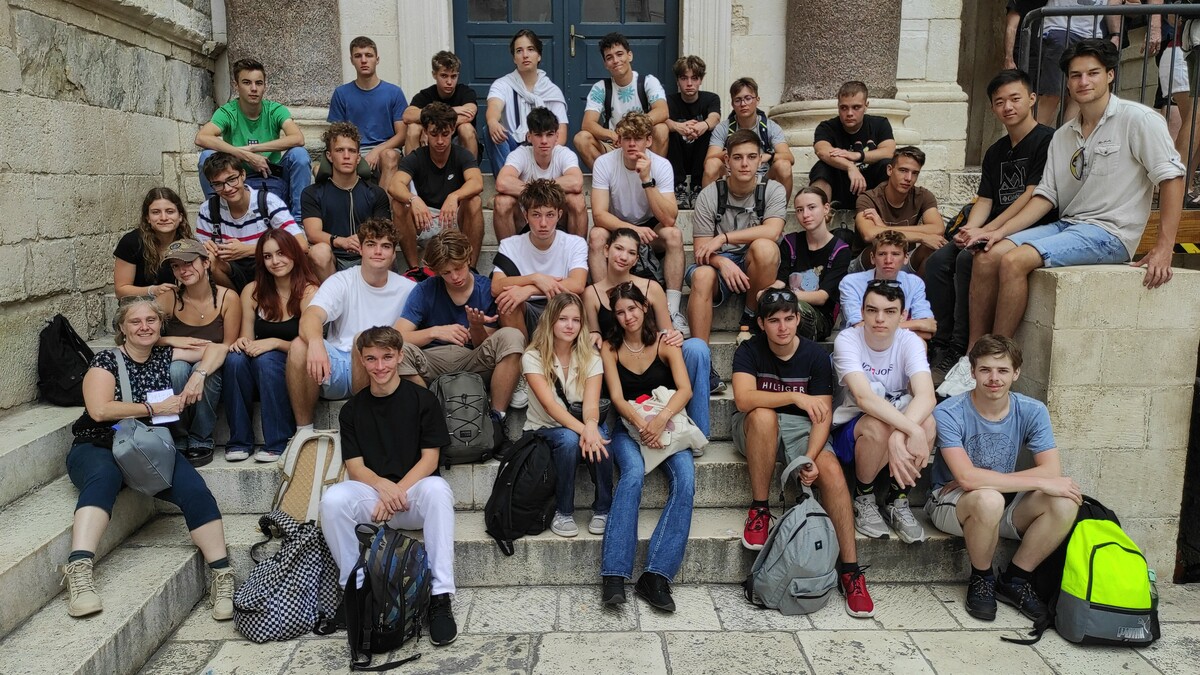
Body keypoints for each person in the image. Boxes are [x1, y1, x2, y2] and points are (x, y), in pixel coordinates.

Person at [964, 38, 1184, 394]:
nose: (1083, 82)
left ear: (1110, 75)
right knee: (988, 255)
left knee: (1015, 260)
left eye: (1092, 73)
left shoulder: (1138, 119)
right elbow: (1045, 196)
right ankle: (972, 356)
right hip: (1068, 225)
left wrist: (1164, 247)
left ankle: (998, 361)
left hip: (1110, 233)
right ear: (1067, 81)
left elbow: (1172, 178)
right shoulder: (1064, 134)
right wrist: (997, 232)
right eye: (1076, 75)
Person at [62, 296, 236, 620]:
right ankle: (79, 571)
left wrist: (197, 375)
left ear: (160, 325)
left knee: (195, 490)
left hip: (146, 447)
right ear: (121, 327)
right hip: (97, 443)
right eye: (135, 322)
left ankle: (222, 575)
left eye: (151, 320)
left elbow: (218, 348)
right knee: (104, 477)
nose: (144, 327)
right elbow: (99, 410)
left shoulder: (164, 354)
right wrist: (153, 408)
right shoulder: (106, 360)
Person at [731, 289, 874, 618]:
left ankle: (850, 572)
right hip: (754, 426)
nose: (782, 327)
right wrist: (794, 397)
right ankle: (760, 508)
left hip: (803, 429)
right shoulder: (749, 350)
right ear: (762, 324)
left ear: (798, 318)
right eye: (774, 320)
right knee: (763, 416)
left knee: (832, 471)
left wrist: (810, 456)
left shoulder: (814, 355)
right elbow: (744, 399)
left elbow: (822, 416)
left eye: (789, 318)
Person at [318, 326, 459, 646]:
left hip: (412, 496)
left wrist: (396, 492)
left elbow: (430, 460)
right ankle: (355, 589)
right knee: (333, 500)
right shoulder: (352, 410)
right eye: (371, 359)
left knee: (438, 491)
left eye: (386, 357)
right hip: (374, 498)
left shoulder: (423, 400)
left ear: (399, 357)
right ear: (361, 360)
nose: (379, 366)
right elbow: (355, 467)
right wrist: (383, 487)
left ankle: (440, 597)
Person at [928, 335, 1082, 622]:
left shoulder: (1032, 410)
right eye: (985, 370)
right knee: (988, 499)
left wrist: (988, 479)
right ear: (972, 372)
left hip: (1005, 501)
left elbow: (1051, 471)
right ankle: (982, 578)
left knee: (1064, 501)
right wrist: (1038, 480)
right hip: (952, 502)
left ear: (1016, 373)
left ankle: (1015, 579)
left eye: (1002, 370)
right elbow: (966, 478)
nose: (994, 378)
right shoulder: (949, 411)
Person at [924, 70, 1054, 385]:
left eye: (1015, 98)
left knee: (968, 259)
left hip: (1029, 225)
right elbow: (985, 198)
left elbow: (1031, 194)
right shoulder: (996, 150)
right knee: (938, 260)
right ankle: (942, 345)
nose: (1008, 107)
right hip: (993, 225)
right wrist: (970, 228)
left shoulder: (1047, 140)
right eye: (999, 102)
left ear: (1032, 99)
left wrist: (989, 231)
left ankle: (963, 348)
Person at [599, 283, 696, 612]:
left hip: (667, 427)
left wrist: (660, 421)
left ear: (644, 307)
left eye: (632, 308)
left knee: (686, 479)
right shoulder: (610, 347)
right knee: (632, 474)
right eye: (620, 312)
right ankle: (614, 574)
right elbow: (616, 397)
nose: (628, 316)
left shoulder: (665, 342)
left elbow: (684, 389)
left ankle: (655, 576)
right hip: (628, 428)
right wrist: (643, 425)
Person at [831, 280, 936, 545]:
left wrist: (900, 435)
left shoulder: (910, 341)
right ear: (862, 312)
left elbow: (926, 395)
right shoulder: (847, 339)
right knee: (881, 425)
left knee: (928, 424)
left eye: (889, 311)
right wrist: (908, 430)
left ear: (903, 316)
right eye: (872, 310)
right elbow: (864, 398)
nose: (880, 319)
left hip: (893, 426)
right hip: (852, 429)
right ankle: (863, 496)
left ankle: (897, 499)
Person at [286, 218, 416, 429]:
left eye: (385, 246)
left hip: (378, 367)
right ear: (360, 249)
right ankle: (304, 432)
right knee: (300, 345)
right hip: (336, 366)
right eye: (371, 244)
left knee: (364, 341)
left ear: (394, 254)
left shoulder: (408, 289)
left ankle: (366, 428)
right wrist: (316, 342)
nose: (378, 251)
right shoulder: (342, 281)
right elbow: (311, 316)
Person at [396, 230, 528, 421]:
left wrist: (476, 327)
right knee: (398, 352)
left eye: (458, 268)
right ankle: (430, 414)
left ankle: (496, 417)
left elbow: (487, 347)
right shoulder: (425, 289)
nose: (455, 277)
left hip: (473, 360)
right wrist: (435, 332)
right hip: (432, 361)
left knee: (512, 336)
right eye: (446, 273)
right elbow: (398, 336)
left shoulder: (486, 289)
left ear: (468, 259)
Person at [585, 228, 715, 406]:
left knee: (697, 348)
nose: (623, 257)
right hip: (617, 364)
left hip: (654, 361)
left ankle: (696, 423)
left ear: (636, 259)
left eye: (631, 253)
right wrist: (594, 335)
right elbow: (595, 335)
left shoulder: (651, 288)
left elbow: (666, 332)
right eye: (619, 248)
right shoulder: (591, 294)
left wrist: (674, 335)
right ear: (606, 250)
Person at [522, 292, 613, 538]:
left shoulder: (591, 357)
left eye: (576, 320)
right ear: (550, 320)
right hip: (543, 429)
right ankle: (563, 512)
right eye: (563, 319)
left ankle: (604, 509)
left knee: (602, 437)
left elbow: (591, 404)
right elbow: (551, 407)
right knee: (570, 439)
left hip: (579, 425)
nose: (570, 325)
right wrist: (585, 431)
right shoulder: (533, 356)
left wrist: (591, 425)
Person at [223, 229, 320, 463]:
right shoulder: (252, 291)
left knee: (266, 360)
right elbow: (247, 338)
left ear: (294, 254)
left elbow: (309, 346)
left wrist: (274, 343)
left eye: (281, 253)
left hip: (295, 365)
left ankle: (278, 441)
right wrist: (242, 342)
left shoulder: (309, 291)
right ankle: (239, 441)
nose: (275, 261)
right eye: (268, 256)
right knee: (234, 359)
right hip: (260, 363)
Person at [588, 112, 687, 334]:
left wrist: (646, 180)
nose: (632, 143)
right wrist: (633, 230)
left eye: (638, 138)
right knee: (596, 235)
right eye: (627, 138)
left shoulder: (661, 165)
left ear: (649, 140)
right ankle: (605, 305)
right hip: (617, 226)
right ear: (619, 140)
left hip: (651, 227)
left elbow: (669, 218)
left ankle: (672, 310)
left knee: (673, 234)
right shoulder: (604, 163)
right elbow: (599, 215)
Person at [686, 129, 787, 341]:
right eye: (738, 157)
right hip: (719, 263)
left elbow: (773, 231)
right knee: (702, 276)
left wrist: (723, 237)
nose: (744, 164)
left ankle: (750, 317)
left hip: (755, 264)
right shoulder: (709, 194)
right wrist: (722, 262)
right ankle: (699, 352)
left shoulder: (773, 189)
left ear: (761, 160)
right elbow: (701, 251)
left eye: (751, 157)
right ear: (727, 160)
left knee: (765, 247)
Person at [156, 239, 241, 467]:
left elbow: (227, 346)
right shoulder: (170, 297)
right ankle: (178, 435)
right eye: (175, 266)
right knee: (176, 369)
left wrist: (199, 371)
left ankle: (201, 437)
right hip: (178, 362)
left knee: (204, 372)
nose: (183, 270)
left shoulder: (228, 298)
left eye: (188, 262)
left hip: (214, 364)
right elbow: (142, 334)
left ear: (206, 263)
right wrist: (171, 340)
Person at [195, 57, 310, 217]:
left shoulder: (275, 110)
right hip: (235, 175)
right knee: (206, 157)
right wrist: (245, 156)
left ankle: (298, 221)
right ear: (236, 86)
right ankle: (216, 216)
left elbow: (298, 138)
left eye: (259, 83)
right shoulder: (228, 112)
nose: (254, 88)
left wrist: (252, 149)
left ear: (265, 86)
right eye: (247, 83)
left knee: (299, 155)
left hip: (272, 173)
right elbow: (201, 138)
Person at [389, 102, 485, 273]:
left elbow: (477, 182)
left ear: (453, 130)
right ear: (425, 131)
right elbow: (395, 185)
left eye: (445, 134)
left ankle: (471, 268)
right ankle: (414, 270)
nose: (440, 141)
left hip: (453, 218)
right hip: (424, 218)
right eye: (434, 134)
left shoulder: (462, 155)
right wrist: (413, 199)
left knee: (474, 201)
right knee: (398, 204)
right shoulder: (417, 157)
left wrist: (454, 196)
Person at [195, 151, 309, 292]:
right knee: (208, 259)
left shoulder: (267, 202)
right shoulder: (208, 209)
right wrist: (208, 249)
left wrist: (246, 250)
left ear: (243, 175)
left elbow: (301, 245)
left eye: (232, 179)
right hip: (231, 272)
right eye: (218, 184)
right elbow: (201, 254)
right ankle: (233, 300)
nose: (227, 188)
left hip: (267, 268)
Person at [491, 179, 589, 338]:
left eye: (550, 215)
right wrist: (535, 278)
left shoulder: (575, 243)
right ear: (526, 216)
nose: (543, 223)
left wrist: (530, 289)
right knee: (507, 303)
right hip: (527, 308)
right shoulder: (510, 244)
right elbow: (496, 286)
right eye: (536, 215)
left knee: (575, 299)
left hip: (560, 306)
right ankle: (521, 352)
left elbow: (577, 284)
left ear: (559, 215)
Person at [302, 122, 392, 281]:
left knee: (387, 252)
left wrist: (363, 239)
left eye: (352, 151)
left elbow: (383, 232)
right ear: (329, 156)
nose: (346, 156)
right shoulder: (312, 193)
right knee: (319, 252)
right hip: (333, 257)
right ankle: (333, 295)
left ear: (358, 157)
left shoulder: (375, 193)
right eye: (339, 150)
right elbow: (313, 233)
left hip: (367, 256)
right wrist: (341, 241)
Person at [765, 187, 854, 341]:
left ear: (826, 208)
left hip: (819, 317)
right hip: (787, 306)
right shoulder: (790, 242)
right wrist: (765, 293)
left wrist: (784, 296)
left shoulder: (840, 250)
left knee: (791, 309)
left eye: (811, 207)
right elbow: (780, 281)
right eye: (799, 210)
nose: (805, 215)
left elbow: (822, 297)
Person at [575, 32, 670, 169]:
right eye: (609, 57)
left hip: (642, 143)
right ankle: (605, 179)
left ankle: (651, 176)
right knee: (581, 139)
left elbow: (662, 111)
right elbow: (588, 124)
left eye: (619, 54)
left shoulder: (648, 81)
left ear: (629, 55)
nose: (615, 60)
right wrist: (613, 135)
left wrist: (633, 130)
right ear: (605, 64)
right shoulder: (600, 88)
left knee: (661, 129)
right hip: (614, 145)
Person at [326, 36, 408, 189]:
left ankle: (382, 205)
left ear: (377, 59)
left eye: (368, 55)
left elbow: (402, 135)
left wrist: (377, 151)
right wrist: (354, 154)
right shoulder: (341, 93)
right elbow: (336, 135)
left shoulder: (394, 92)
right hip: (353, 149)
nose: (364, 60)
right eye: (358, 56)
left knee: (389, 156)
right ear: (351, 60)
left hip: (387, 148)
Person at [493, 107, 587, 239]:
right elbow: (502, 182)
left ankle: (577, 252)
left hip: (558, 218)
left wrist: (538, 189)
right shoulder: (520, 154)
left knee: (577, 200)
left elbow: (576, 182)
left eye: (549, 135)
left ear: (557, 136)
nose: (544, 141)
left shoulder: (564, 154)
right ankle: (508, 252)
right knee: (502, 201)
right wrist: (541, 190)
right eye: (538, 135)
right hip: (525, 219)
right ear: (529, 137)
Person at [484, 29, 569, 169]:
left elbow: (561, 135)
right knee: (489, 129)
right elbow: (494, 107)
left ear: (539, 56)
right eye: (519, 51)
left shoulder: (552, 91)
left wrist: (542, 156)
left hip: (542, 148)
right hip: (513, 148)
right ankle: (507, 177)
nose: (525, 55)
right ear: (514, 58)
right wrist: (492, 121)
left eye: (530, 49)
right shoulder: (503, 84)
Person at [854, 146, 945, 274]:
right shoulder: (868, 198)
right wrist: (922, 237)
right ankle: (878, 287)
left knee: (931, 247)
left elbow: (937, 229)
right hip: (867, 265)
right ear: (890, 170)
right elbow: (869, 234)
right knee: (881, 249)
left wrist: (884, 228)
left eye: (915, 173)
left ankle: (916, 287)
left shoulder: (923, 196)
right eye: (903, 170)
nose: (908, 178)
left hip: (904, 259)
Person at [701, 77, 795, 197]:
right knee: (711, 165)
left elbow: (789, 157)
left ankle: (779, 208)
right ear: (732, 104)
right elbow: (708, 160)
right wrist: (733, 152)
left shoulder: (770, 127)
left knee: (784, 166)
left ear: (757, 100)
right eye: (738, 100)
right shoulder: (723, 128)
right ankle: (708, 207)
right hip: (732, 177)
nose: (743, 104)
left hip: (762, 178)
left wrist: (768, 157)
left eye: (748, 98)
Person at [809, 81, 896, 209]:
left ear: (866, 106)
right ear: (838, 106)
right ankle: (820, 214)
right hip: (840, 187)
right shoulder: (827, 127)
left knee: (887, 165)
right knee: (822, 167)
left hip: (872, 188)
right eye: (844, 108)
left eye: (856, 107)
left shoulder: (880, 124)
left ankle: (886, 214)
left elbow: (889, 151)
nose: (849, 113)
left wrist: (857, 156)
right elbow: (822, 151)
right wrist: (850, 166)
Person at [1028, 0, 1116, 126]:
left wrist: (1116, 33)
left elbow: (1131, 5)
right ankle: (1033, 138)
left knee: (1078, 96)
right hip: (1058, 28)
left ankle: (1067, 138)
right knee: (1052, 93)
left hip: (1092, 35)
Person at [838, 231, 937, 340]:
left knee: (921, 343)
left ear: (906, 258)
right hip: (861, 342)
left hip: (900, 343)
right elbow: (859, 327)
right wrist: (917, 324)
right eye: (882, 254)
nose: (888, 260)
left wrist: (878, 328)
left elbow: (928, 331)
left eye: (895, 254)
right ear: (872, 258)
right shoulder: (851, 283)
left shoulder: (914, 283)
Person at [114, 187, 195, 299]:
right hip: (140, 304)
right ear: (147, 218)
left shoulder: (189, 245)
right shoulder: (131, 242)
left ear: (180, 216)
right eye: (156, 212)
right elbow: (121, 290)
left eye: (170, 212)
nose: (164, 218)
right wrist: (152, 290)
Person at [665, 55, 721, 208]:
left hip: (700, 156)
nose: (689, 83)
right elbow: (661, 119)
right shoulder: (668, 100)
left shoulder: (711, 98)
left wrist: (703, 125)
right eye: (684, 78)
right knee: (669, 130)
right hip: (677, 156)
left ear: (700, 80)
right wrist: (679, 127)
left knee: (709, 130)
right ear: (677, 81)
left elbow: (715, 117)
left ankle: (697, 187)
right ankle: (678, 188)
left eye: (694, 78)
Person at [403, 50, 478, 157]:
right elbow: (407, 116)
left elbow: (468, 115)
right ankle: (412, 167)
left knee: (466, 128)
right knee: (413, 128)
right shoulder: (426, 95)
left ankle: (470, 166)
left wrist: (431, 126)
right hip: (431, 142)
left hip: (457, 144)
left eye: (453, 76)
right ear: (434, 74)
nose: (449, 82)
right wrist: (453, 111)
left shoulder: (465, 92)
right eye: (444, 76)